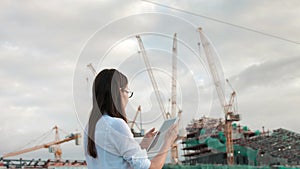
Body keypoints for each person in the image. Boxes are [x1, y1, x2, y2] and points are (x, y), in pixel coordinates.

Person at [84, 69, 178, 169]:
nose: (128, 98)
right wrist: (168, 142)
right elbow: (151, 168)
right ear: (119, 92)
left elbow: (114, 158)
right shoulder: (117, 125)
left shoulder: (89, 127)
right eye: (127, 92)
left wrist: (143, 145)